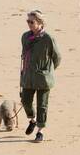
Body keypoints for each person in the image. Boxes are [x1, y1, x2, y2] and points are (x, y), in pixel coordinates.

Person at [18, 9, 60, 142]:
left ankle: (40, 131)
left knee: (42, 105)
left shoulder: (48, 39)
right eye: (28, 21)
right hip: (28, 76)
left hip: (43, 78)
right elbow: (24, 56)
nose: (29, 24)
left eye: (32, 21)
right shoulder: (25, 37)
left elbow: (57, 57)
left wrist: (48, 70)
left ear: (40, 23)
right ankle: (33, 120)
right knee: (25, 101)